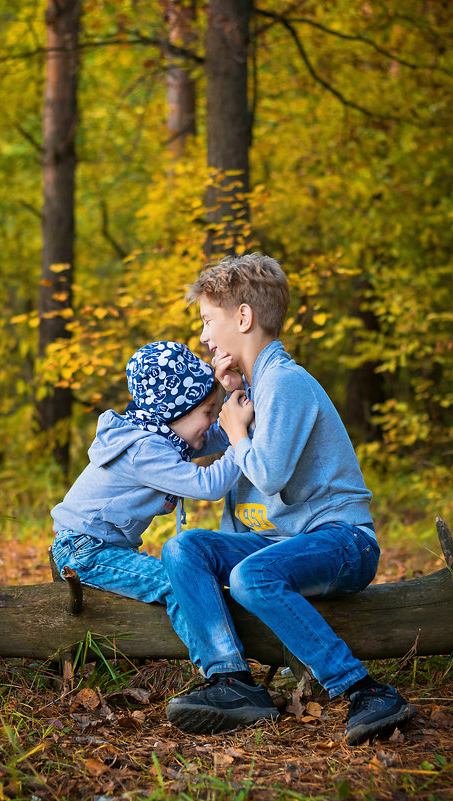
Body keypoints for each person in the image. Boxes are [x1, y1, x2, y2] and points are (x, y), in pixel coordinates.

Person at [161, 253, 416, 744]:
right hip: (282, 544)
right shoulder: (257, 389)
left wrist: (236, 431)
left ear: (243, 317)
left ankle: (364, 689)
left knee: (251, 574)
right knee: (185, 548)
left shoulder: (287, 383)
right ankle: (233, 680)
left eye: (209, 321)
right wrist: (231, 397)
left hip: (342, 543)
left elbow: (269, 474)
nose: (204, 337)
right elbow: (234, 483)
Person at [50, 340, 250, 665]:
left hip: (96, 546)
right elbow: (209, 484)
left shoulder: (161, 438)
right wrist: (242, 440)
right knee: (177, 582)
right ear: (176, 411)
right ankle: (222, 669)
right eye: (208, 413)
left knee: (182, 576)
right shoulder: (146, 451)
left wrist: (239, 396)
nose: (214, 421)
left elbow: (221, 433)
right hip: (84, 549)